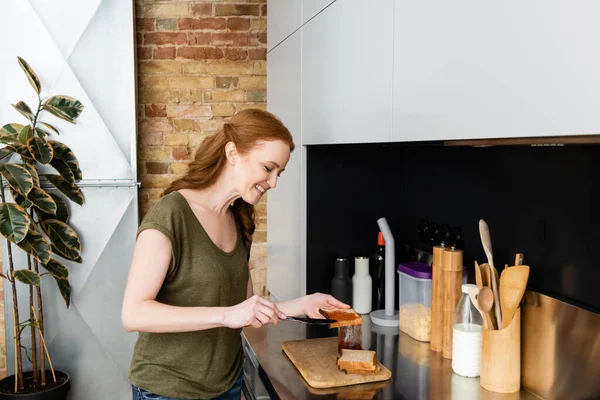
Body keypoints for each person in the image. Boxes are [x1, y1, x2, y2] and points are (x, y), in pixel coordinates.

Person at [122, 109, 349, 400]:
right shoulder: (171, 214)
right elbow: (134, 314)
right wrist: (227, 315)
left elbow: (245, 309)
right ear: (233, 153)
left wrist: (301, 305)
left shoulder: (239, 219)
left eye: (279, 172)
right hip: (168, 390)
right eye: (268, 168)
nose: (274, 182)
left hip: (228, 385)